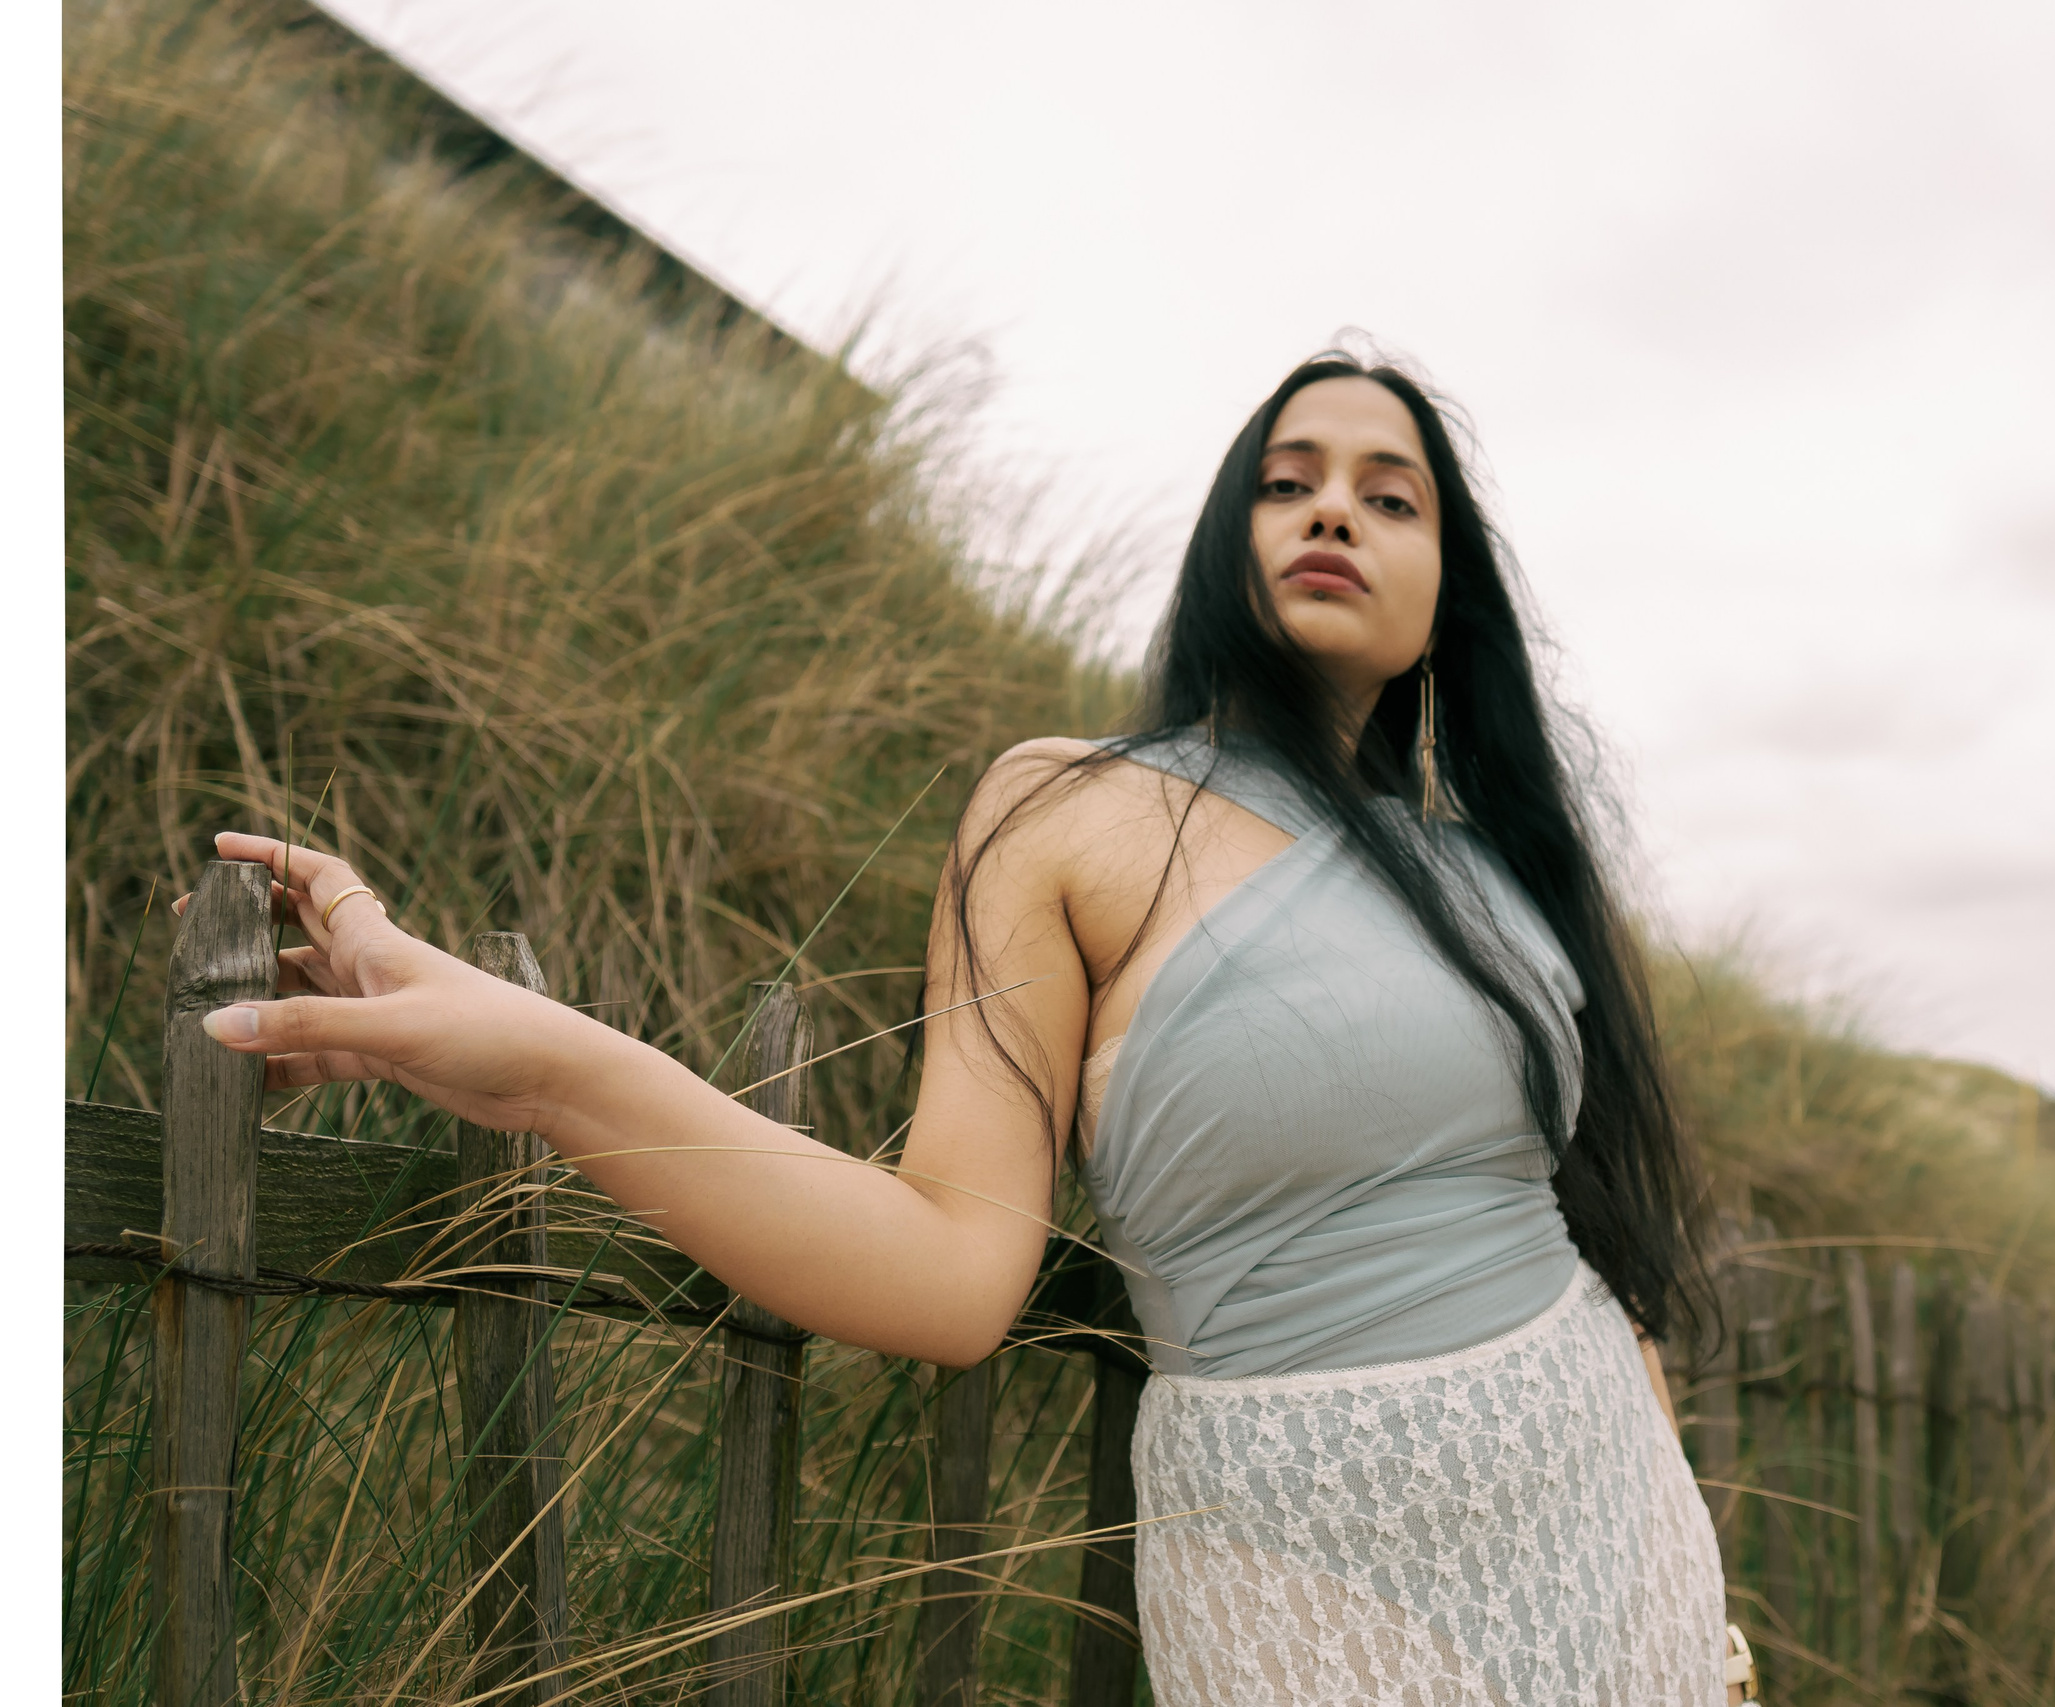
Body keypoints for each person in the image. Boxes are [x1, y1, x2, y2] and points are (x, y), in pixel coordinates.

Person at [185, 354, 1734, 1704]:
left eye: (1392, 499)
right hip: (1299, 1555)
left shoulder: (1503, 872)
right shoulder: (1070, 812)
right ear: (1225, 539)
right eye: (1288, 482)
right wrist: (541, 1064)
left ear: (1448, 592)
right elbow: (946, 1270)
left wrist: (1707, 1614)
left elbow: (1595, 1248)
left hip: (1607, 1519)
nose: (1334, 511)